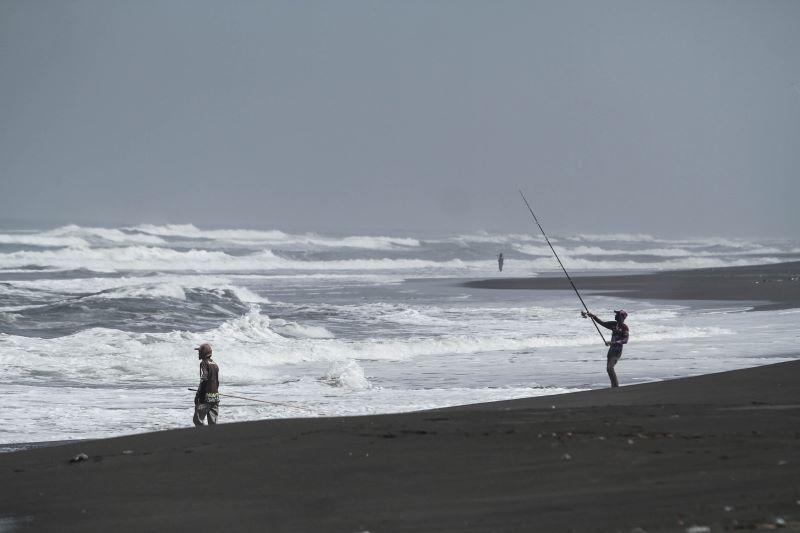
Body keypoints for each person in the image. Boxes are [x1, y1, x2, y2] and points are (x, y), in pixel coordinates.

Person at [582, 309, 629, 388]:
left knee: (610, 368)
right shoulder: (614, 324)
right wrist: (593, 316)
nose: (615, 315)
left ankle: (616, 387)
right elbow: (602, 323)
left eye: (617, 314)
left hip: (617, 351)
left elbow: (625, 340)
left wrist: (613, 343)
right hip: (610, 351)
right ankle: (613, 386)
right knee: (609, 369)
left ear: (621, 317)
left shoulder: (624, 327)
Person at [193, 342, 220, 426]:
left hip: (206, 397)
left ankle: (203, 436)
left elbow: (204, 379)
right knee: (213, 424)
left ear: (203, 353)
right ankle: (212, 437)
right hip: (215, 397)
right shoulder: (215, 364)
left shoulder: (204, 363)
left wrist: (198, 395)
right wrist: (214, 392)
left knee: (197, 420)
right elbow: (217, 382)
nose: (198, 353)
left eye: (199, 351)